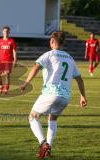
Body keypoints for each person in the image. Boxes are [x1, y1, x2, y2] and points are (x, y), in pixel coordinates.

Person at [19, 31, 87, 159]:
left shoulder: (49, 55)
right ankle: (49, 148)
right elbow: (79, 79)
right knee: (53, 119)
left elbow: (35, 68)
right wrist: (83, 96)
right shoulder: (69, 57)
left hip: (51, 93)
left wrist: (26, 83)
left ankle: (43, 143)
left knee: (33, 117)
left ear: (53, 42)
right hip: (65, 97)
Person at [0, 26, 17, 94]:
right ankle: (1, 86)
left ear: (9, 32)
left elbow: (14, 51)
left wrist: (15, 60)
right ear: (2, 32)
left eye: (7, 31)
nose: (6, 32)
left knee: (7, 74)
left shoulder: (12, 41)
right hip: (1, 61)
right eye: (4, 31)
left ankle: (6, 88)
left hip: (8, 61)